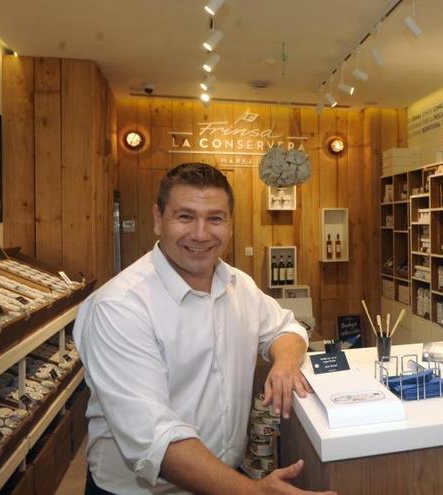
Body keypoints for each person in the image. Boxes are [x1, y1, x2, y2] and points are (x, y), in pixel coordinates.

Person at [74, 163, 335, 495]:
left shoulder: (239, 286)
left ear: (229, 224)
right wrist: (254, 492)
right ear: (158, 219)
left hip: (226, 479)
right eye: (185, 217)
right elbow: (155, 439)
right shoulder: (119, 307)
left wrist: (284, 362)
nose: (200, 234)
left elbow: (287, 328)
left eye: (215, 218)